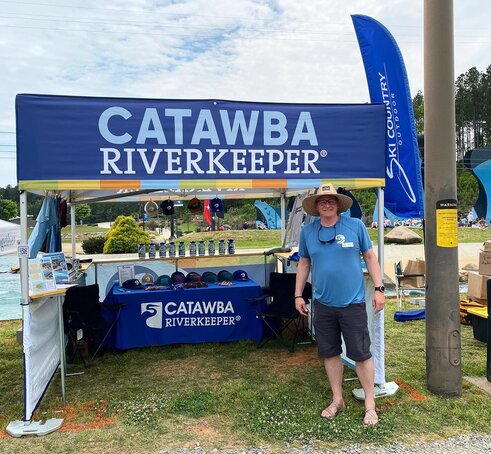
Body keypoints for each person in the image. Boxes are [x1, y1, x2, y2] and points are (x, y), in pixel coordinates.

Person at [294, 183, 385, 426]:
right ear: (315, 206)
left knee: (361, 354)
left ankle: (370, 404)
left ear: (338, 204)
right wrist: (298, 295)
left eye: (331, 200)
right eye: (322, 201)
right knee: (329, 352)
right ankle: (337, 399)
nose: (326, 204)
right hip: (323, 304)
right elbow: (304, 263)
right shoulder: (308, 232)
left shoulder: (355, 226)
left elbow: (370, 256)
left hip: (353, 303)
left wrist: (378, 289)